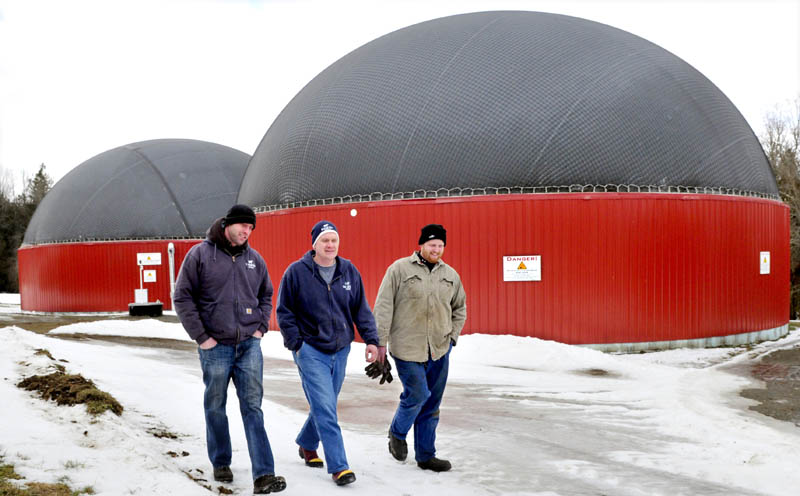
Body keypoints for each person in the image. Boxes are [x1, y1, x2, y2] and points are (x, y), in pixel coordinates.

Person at [173, 204, 286, 494]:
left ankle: (264, 474)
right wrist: (201, 337)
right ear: (228, 224)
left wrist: (261, 328)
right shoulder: (200, 255)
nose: (247, 232)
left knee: (253, 407)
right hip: (215, 347)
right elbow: (182, 297)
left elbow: (266, 294)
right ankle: (221, 460)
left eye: (251, 229)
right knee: (215, 406)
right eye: (243, 227)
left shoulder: (255, 259)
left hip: (249, 345)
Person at [276, 220, 381, 486]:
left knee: (327, 404)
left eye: (334, 240)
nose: (330, 245)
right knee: (325, 406)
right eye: (325, 240)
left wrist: (371, 339)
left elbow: (361, 309)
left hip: (341, 348)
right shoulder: (296, 272)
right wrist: (296, 344)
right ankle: (339, 466)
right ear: (314, 244)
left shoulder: (348, 271)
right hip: (310, 349)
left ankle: (307, 444)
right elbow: (284, 312)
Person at [372, 223, 467, 472]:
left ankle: (425, 455)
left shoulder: (451, 276)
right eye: (431, 244)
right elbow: (383, 307)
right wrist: (380, 343)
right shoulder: (399, 270)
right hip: (407, 348)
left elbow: (460, 309)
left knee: (432, 403)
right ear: (421, 245)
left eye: (440, 245)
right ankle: (397, 431)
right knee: (418, 395)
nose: (436, 249)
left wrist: (452, 338)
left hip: (439, 349)